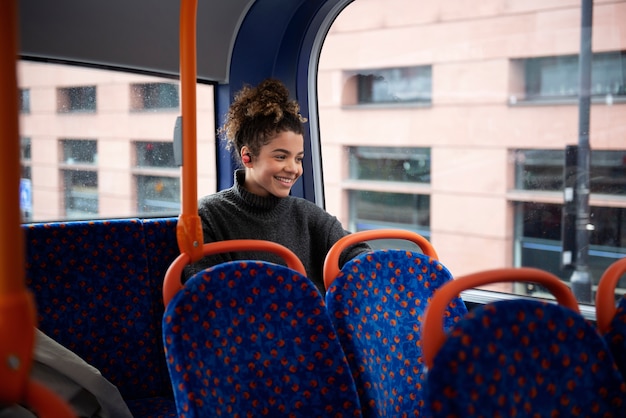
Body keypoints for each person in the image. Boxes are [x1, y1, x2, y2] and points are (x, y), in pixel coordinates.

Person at [183, 78, 370, 294]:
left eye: (298, 159)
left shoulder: (308, 216)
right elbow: (208, 291)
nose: (293, 169)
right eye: (281, 157)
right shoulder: (209, 215)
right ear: (247, 157)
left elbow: (359, 255)